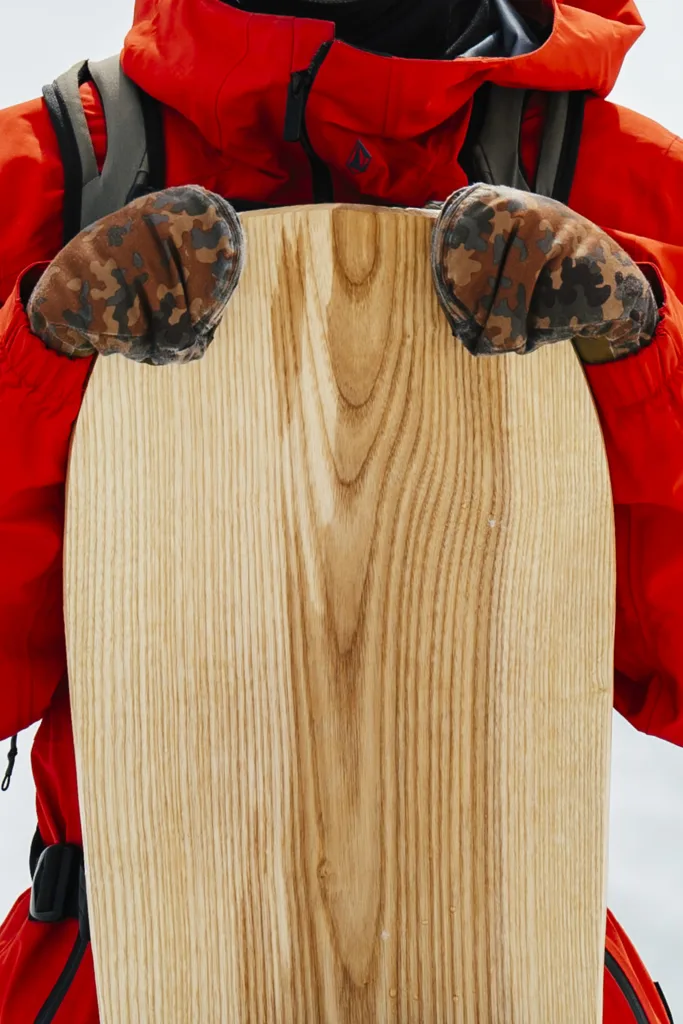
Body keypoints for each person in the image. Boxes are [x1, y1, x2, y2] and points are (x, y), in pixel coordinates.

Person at [0, 0, 680, 1021]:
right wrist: (31, 372)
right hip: (132, 964)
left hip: (517, 956)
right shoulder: (44, 179)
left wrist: (643, 367)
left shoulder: (633, 195)